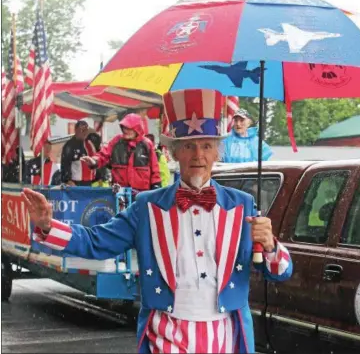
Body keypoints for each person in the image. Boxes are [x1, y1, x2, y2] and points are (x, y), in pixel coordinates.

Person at [22, 88, 292, 354]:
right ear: (174, 153)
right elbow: (98, 242)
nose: (198, 155)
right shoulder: (147, 206)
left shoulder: (242, 204)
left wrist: (269, 246)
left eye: (206, 146)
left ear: (217, 153)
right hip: (166, 336)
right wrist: (48, 225)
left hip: (225, 337)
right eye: (188, 146)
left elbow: (280, 272)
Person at [81, 113, 161, 194]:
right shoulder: (116, 141)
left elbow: (155, 169)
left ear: (137, 129)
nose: (125, 130)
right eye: (124, 127)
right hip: (120, 192)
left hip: (141, 193)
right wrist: (94, 161)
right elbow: (104, 154)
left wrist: (156, 185)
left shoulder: (147, 144)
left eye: (129, 128)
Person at [60, 120, 97, 186]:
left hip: (89, 181)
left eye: (86, 130)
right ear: (76, 130)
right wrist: (68, 180)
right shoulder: (69, 145)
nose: (85, 133)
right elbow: (65, 164)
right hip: (75, 182)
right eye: (82, 130)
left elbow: (95, 160)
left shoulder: (89, 144)